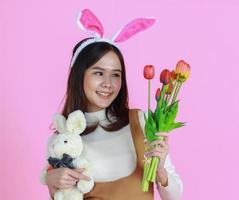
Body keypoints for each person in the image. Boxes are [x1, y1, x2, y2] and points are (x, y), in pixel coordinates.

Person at [41, 9, 183, 200]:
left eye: (116, 74)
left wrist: (160, 171)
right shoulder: (66, 140)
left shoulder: (141, 121)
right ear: (79, 76)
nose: (108, 83)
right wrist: (52, 184)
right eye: (98, 73)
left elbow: (174, 197)